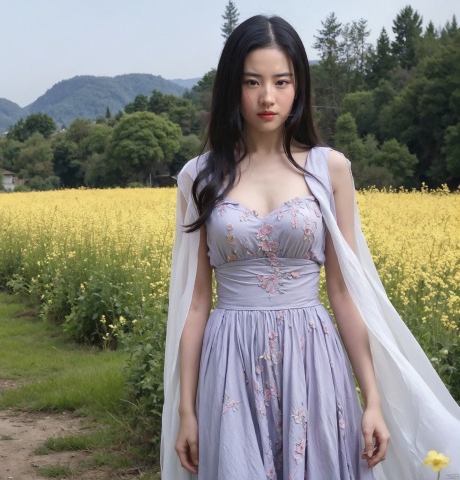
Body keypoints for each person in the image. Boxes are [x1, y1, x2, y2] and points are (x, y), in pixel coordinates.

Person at [161, 14, 460, 480]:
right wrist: (186, 412)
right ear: (230, 89)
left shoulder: (330, 169)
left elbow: (344, 292)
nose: (267, 97)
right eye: (252, 82)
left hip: (313, 359)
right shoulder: (197, 176)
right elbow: (197, 302)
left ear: (298, 86)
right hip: (229, 363)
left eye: (282, 81)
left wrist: (373, 401)